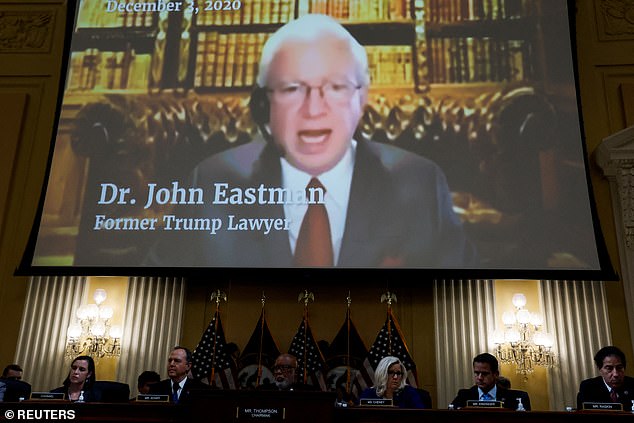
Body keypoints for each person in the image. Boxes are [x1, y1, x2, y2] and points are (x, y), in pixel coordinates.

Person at [145, 13, 476, 269]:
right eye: (292, 88)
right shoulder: (211, 181)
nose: (314, 109)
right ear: (265, 105)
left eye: (335, 87)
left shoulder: (422, 185)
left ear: (361, 100)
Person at [451, 353, 531, 410]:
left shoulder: (516, 398)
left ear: (496, 374)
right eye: (477, 373)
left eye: (484, 374)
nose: (480, 378)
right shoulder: (464, 396)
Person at [577, 345, 634, 411]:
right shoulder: (588, 388)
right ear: (600, 369)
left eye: (619, 368)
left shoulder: (632, 385)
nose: (615, 374)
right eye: (609, 368)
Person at [358, 356, 424, 408]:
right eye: (391, 372)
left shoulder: (409, 393)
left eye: (398, 373)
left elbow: (420, 415)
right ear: (382, 374)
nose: (395, 377)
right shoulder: (369, 393)